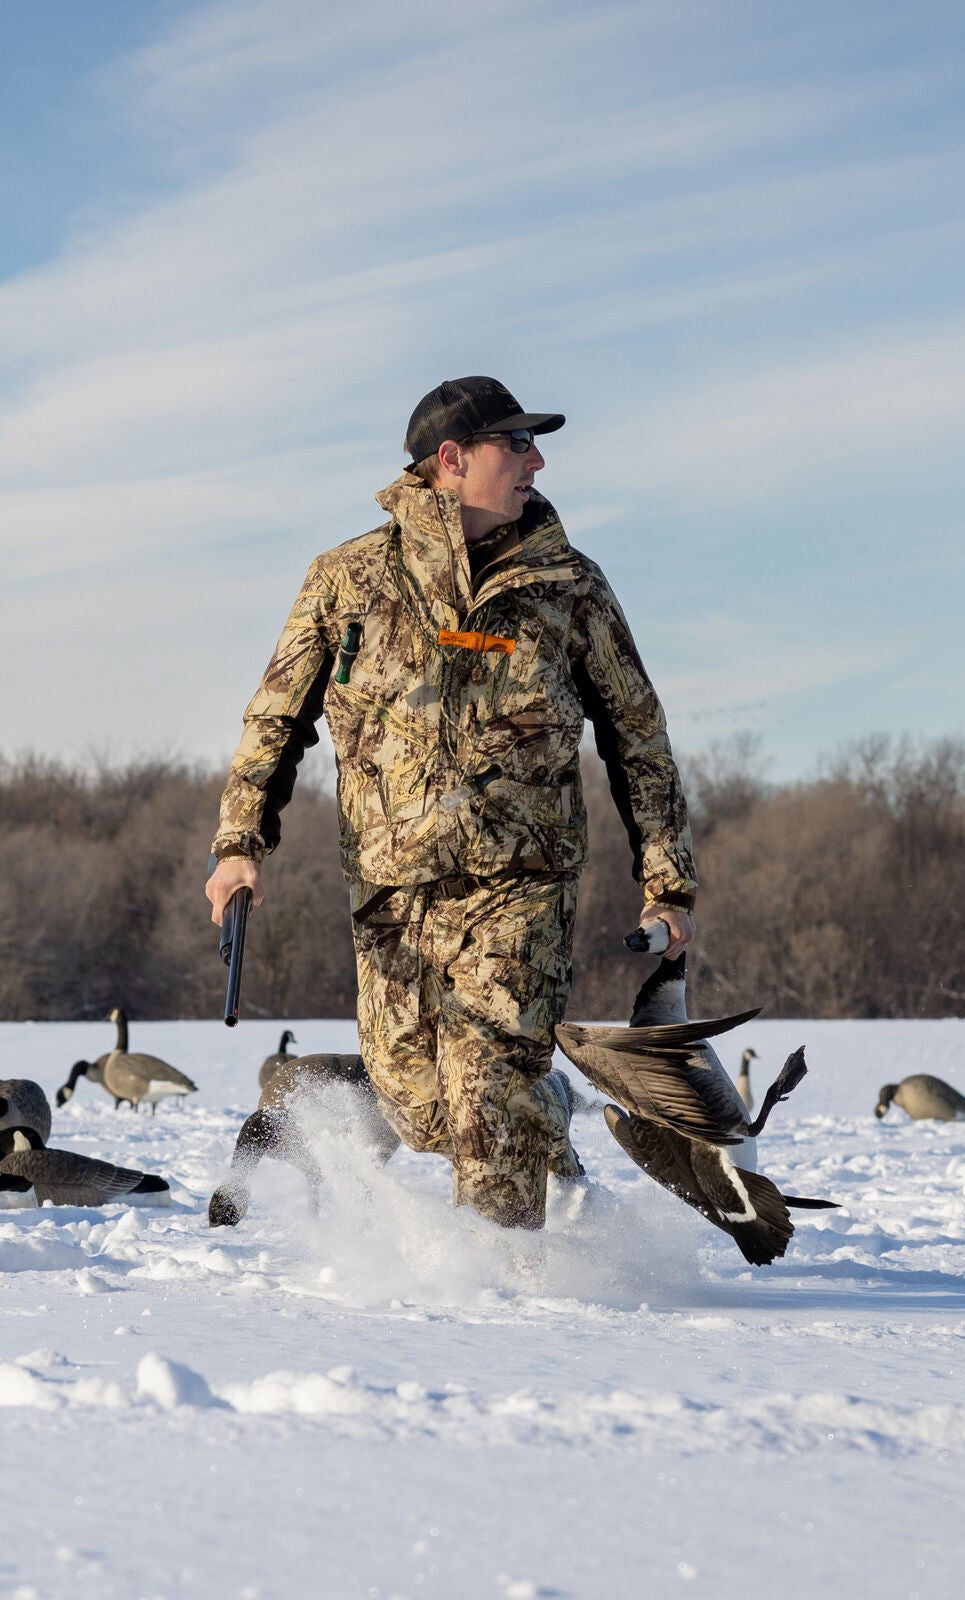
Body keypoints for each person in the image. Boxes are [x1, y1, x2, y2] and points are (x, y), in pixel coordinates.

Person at [204, 376, 697, 1231]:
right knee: (418, 1102)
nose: (537, 460)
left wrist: (668, 881)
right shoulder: (345, 579)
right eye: (517, 443)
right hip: (392, 889)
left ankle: (500, 1293)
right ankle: (544, 1128)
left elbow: (637, 740)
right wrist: (241, 841)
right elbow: (276, 719)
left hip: (522, 884)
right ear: (451, 460)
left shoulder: (571, 589)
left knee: (485, 1084)